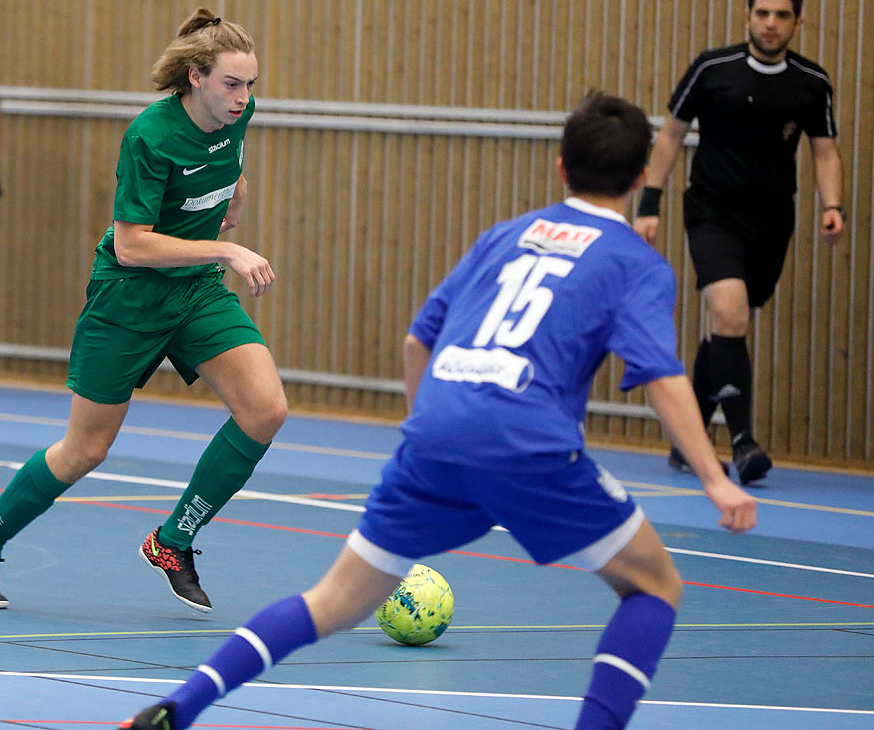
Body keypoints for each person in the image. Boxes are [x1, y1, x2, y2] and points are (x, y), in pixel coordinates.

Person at [123, 93, 758, 730]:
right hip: (527, 441)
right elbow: (665, 378)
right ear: (644, 176)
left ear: (561, 166)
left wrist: (427, 432)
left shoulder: (505, 237)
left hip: (436, 431)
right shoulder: (634, 263)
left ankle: (180, 707)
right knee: (656, 587)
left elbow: (417, 341)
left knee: (333, 602)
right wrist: (712, 477)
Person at [0, 7, 286, 613]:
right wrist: (228, 246)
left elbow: (230, 162)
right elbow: (132, 243)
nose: (243, 98)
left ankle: (174, 539)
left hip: (196, 292)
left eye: (250, 85)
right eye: (232, 84)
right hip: (129, 298)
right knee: (85, 450)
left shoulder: (239, 116)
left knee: (265, 409)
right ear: (196, 78)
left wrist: (234, 196)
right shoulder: (150, 136)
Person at [633, 0, 843, 485]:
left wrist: (831, 204)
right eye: (762, 14)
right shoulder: (712, 68)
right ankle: (744, 442)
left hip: (773, 219)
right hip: (712, 211)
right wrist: (651, 202)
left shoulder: (811, 81)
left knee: (729, 327)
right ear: (748, 15)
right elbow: (671, 135)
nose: (771, 24)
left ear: (797, 21)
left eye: (782, 16)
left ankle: (689, 440)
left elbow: (824, 148)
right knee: (727, 313)